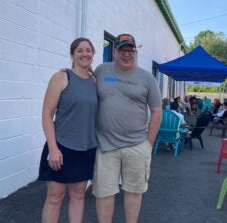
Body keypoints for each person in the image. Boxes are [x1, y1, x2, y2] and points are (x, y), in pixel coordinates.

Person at [93, 33, 162, 223]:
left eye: (130, 50)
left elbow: (156, 111)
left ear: (135, 52)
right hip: (106, 145)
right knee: (103, 192)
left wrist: (148, 143)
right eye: (122, 50)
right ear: (114, 51)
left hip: (137, 145)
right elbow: (84, 84)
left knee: (133, 191)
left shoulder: (147, 78)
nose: (126, 54)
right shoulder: (101, 71)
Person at [38, 38, 98, 223]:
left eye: (88, 50)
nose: (84, 54)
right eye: (79, 50)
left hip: (87, 148)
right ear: (72, 55)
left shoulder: (95, 81)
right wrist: (53, 148)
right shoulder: (62, 77)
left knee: (79, 195)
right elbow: (47, 114)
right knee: (55, 197)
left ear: (93, 54)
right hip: (62, 146)